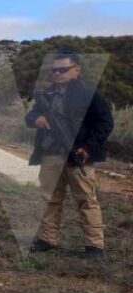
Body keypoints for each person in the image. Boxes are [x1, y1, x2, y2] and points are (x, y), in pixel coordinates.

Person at [26, 52, 113, 259]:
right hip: (51, 154)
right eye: (54, 70)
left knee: (86, 200)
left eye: (62, 69)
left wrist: (88, 147)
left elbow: (105, 123)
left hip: (78, 156)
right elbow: (30, 115)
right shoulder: (47, 94)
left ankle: (95, 246)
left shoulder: (89, 95)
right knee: (49, 198)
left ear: (76, 70)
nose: (57, 73)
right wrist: (36, 119)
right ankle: (47, 239)